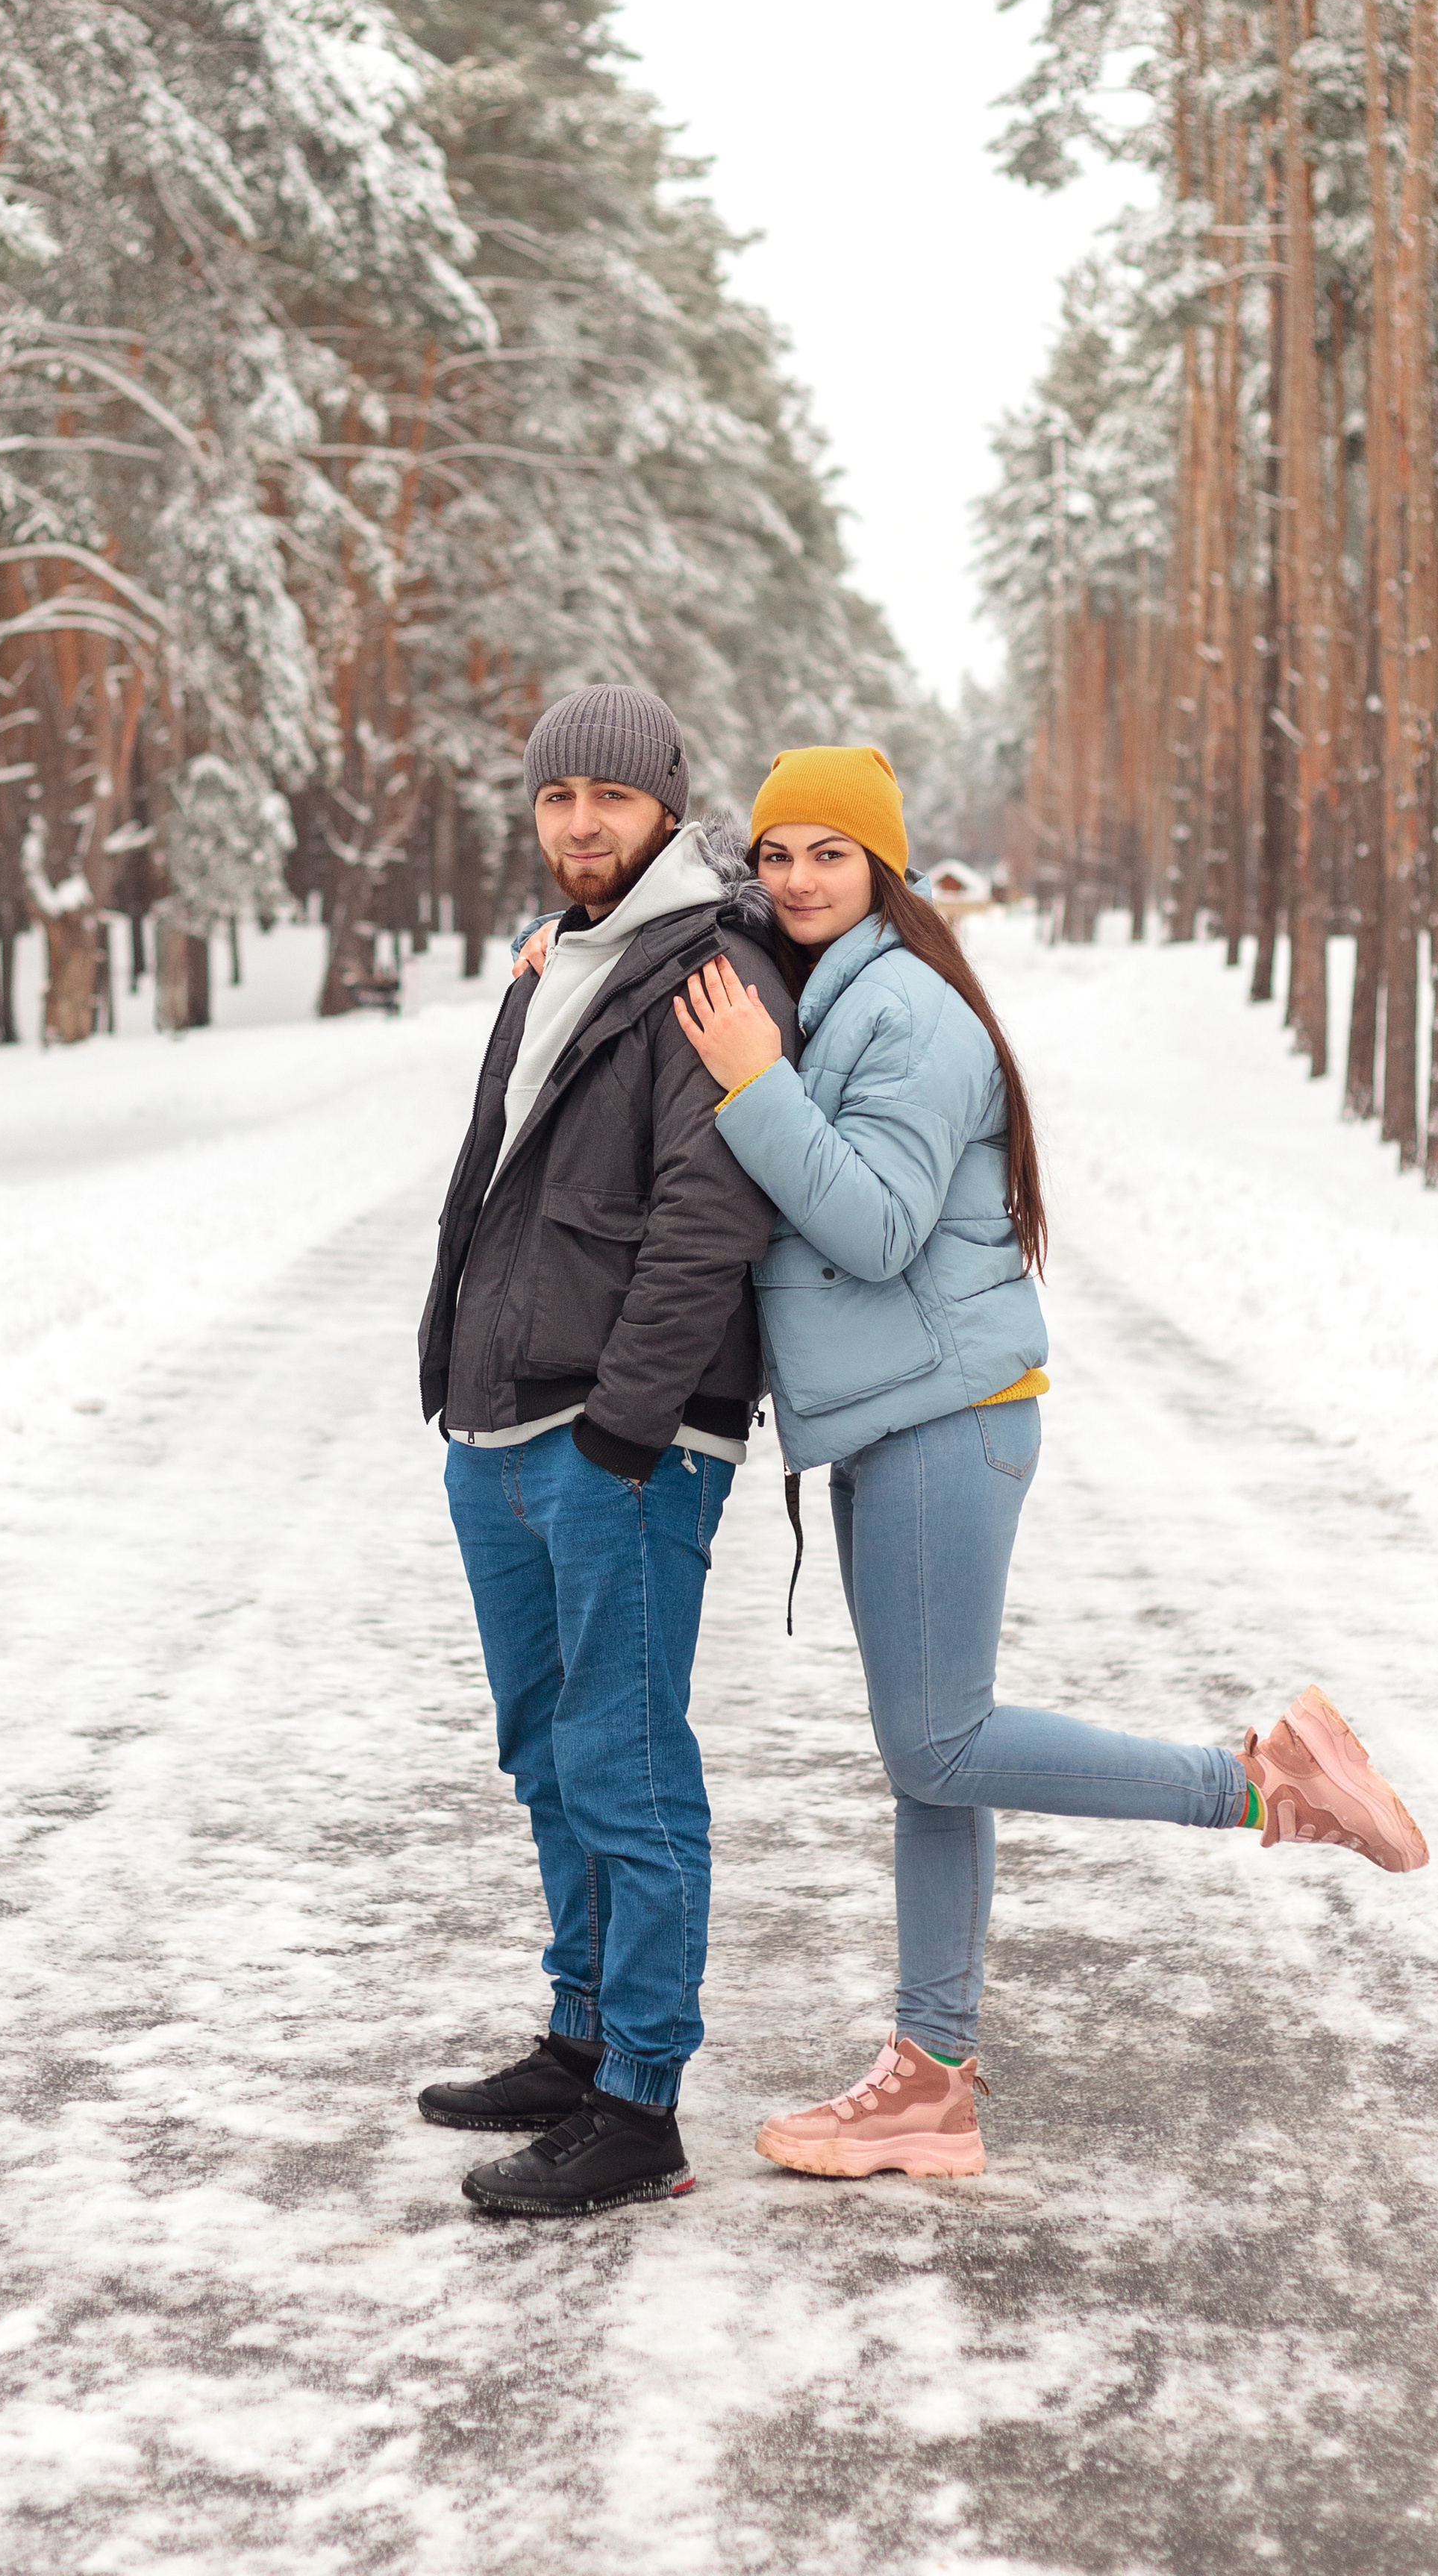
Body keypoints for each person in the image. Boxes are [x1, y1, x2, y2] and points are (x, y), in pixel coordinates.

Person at [672, 744, 1429, 2184]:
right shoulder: (840, 984)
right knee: (932, 1764)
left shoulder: (908, 1016)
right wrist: (558, 947)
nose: (795, 878)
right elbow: (681, 912)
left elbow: (880, 1226)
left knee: (940, 1742)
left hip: (941, 1416)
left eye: (831, 853)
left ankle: (1264, 1781)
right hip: (901, 1412)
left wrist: (755, 1089)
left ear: (885, 866)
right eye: (778, 854)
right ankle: (930, 2080)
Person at [416, 684, 798, 2218]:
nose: (580, 823)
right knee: (544, 1754)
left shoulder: (709, 970)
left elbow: (709, 1220)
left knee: (626, 1771)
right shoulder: (561, 958)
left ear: (662, 810)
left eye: (610, 800)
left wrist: (632, 1430)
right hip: (499, 1424)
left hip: (619, 1438)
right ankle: (577, 2041)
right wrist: (454, 1376)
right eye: (556, 797)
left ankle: (639, 2105)